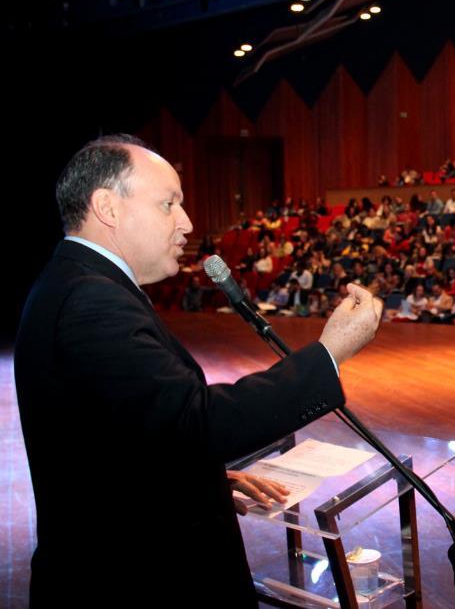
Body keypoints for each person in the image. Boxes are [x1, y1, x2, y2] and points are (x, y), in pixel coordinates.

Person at [14, 135, 383, 606]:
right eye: (169, 204)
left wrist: (197, 479)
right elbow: (193, 422)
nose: (187, 223)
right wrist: (330, 351)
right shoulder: (92, 299)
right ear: (107, 206)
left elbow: (115, 434)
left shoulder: (73, 282)